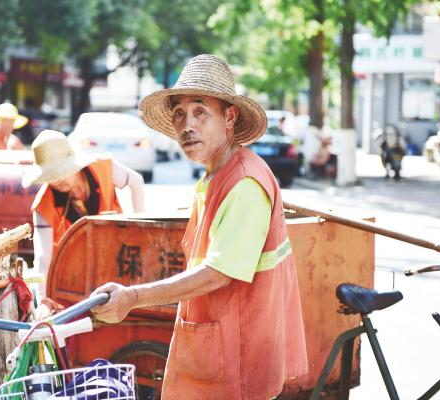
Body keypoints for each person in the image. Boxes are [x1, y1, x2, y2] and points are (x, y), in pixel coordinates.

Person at [89, 54, 308, 399]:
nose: (187, 125)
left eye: (200, 111)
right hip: (218, 348)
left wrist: (133, 297)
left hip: (239, 359)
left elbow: (217, 274)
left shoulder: (245, 184)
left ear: (229, 117)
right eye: (179, 114)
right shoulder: (215, 176)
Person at [22, 130, 145, 297]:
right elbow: (43, 259)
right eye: (51, 176)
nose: (56, 181)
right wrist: (42, 300)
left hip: (114, 258)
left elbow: (136, 182)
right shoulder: (43, 205)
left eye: (60, 173)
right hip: (72, 277)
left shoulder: (103, 167)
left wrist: (139, 230)